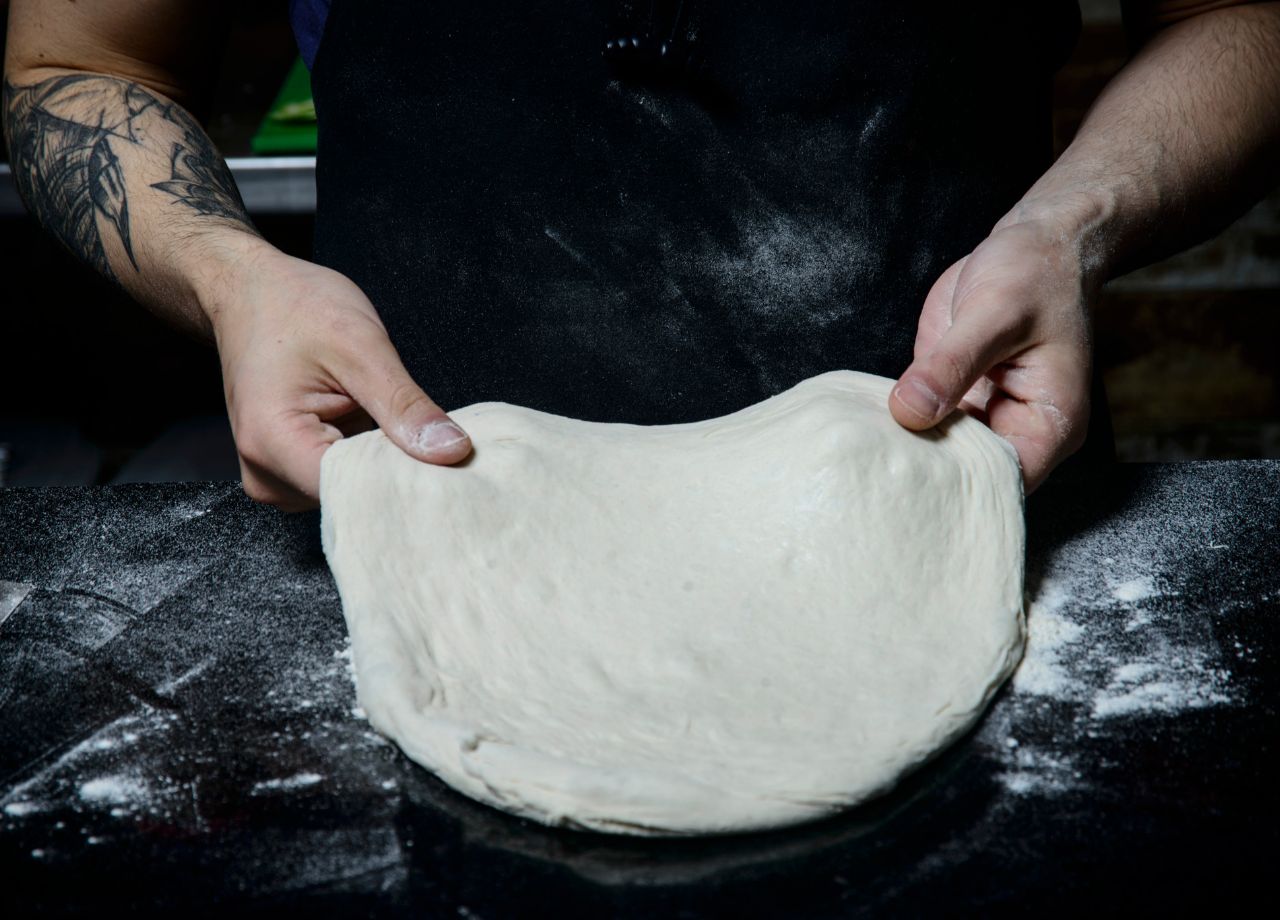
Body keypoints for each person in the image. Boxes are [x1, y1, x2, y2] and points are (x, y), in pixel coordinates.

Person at [4, 1, 1278, 511]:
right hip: (431, 506)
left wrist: (1070, 224)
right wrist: (231, 276)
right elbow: (72, 62)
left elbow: (1236, 19)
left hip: (964, 483)